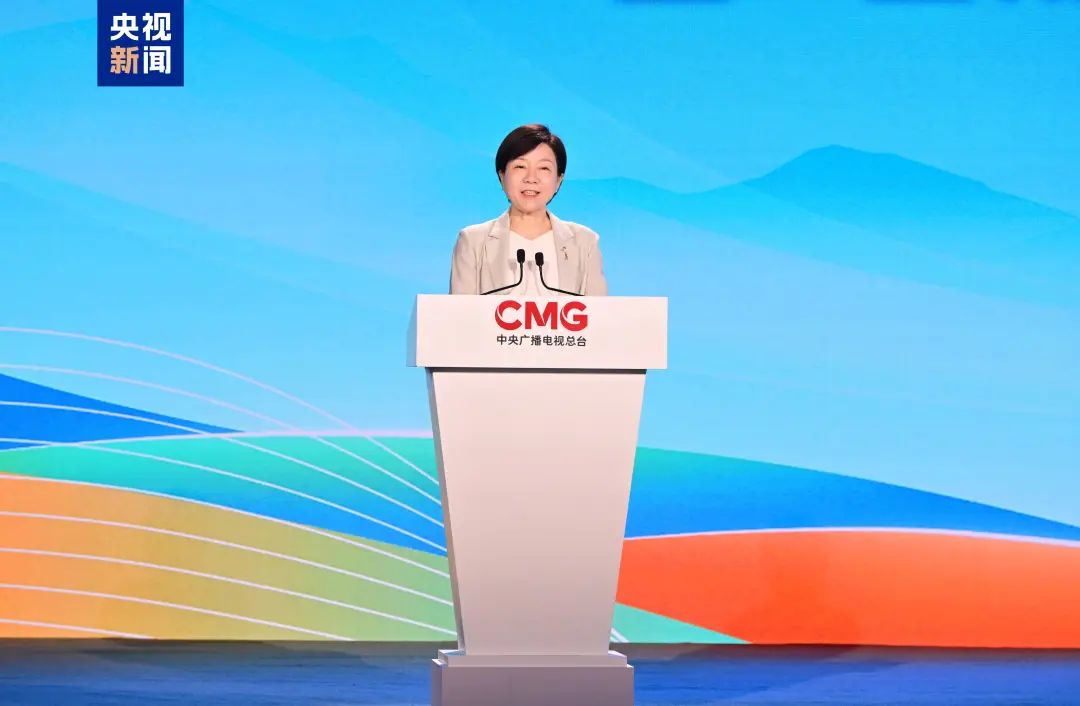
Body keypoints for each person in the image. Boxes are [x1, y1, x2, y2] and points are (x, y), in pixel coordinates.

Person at [449, 124, 608, 296]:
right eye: (520, 166)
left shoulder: (585, 243)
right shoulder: (473, 241)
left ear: (558, 180)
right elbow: (460, 311)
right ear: (502, 176)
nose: (531, 178)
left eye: (544, 168)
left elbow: (599, 311)